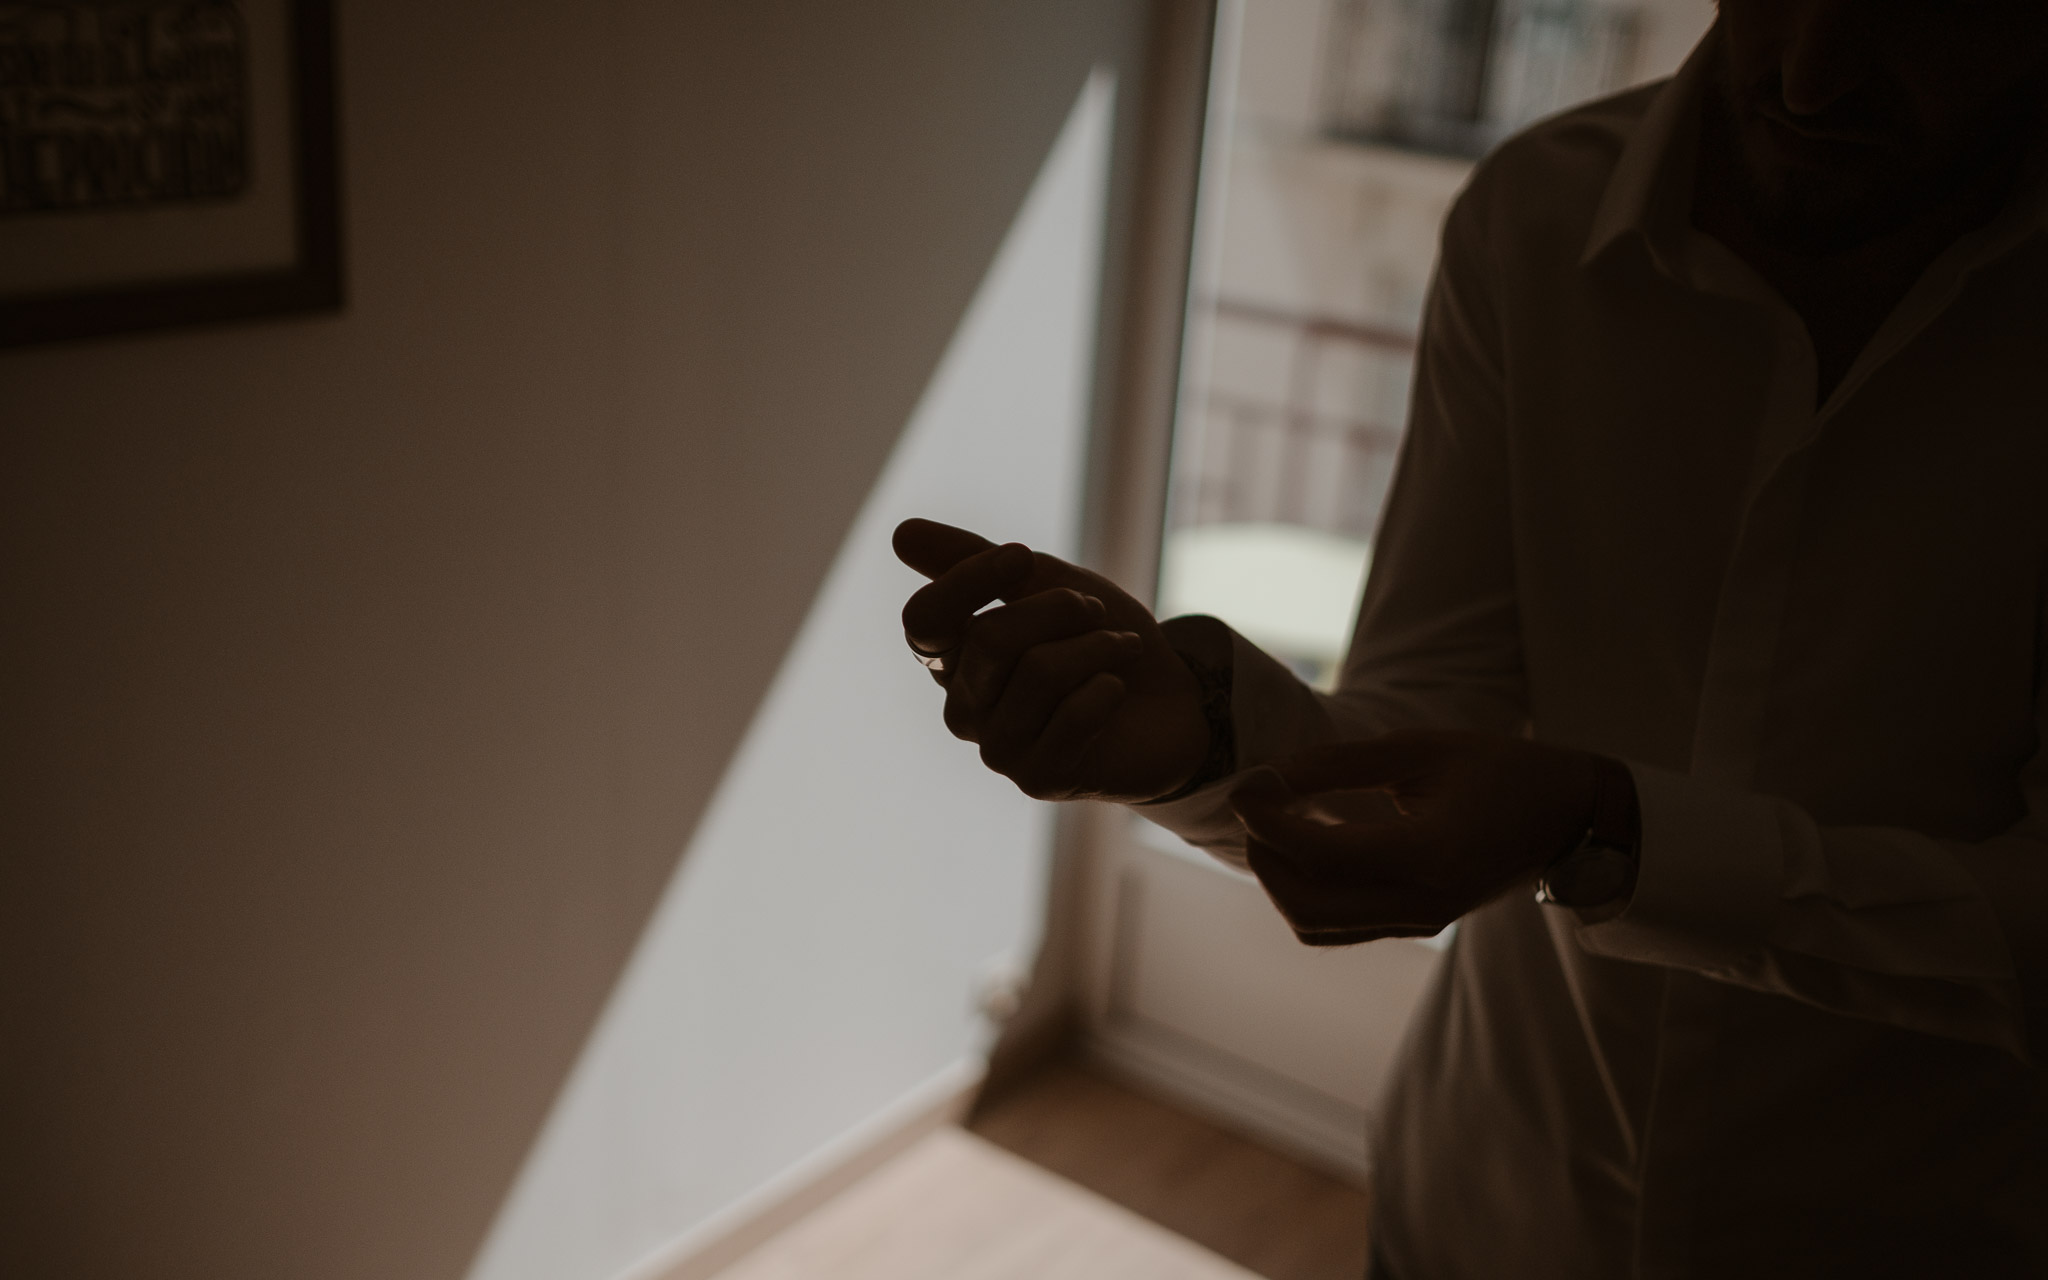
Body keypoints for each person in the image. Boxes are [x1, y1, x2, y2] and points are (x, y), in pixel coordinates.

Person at [895, 1, 2048, 1275]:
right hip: (1475, 1210)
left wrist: (1604, 827)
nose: (1810, 76)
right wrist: (1200, 737)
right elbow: (1439, 696)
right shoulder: (1534, 217)